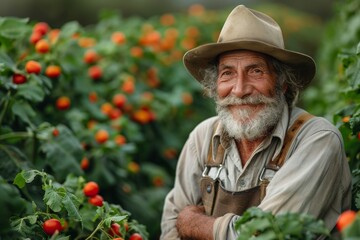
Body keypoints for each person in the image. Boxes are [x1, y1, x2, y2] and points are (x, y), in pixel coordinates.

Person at [160, 4, 352, 240]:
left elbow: (269, 236)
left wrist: (192, 223)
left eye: (256, 71)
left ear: (282, 83)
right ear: (215, 86)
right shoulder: (202, 138)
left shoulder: (317, 140)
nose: (239, 90)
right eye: (227, 73)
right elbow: (170, 231)